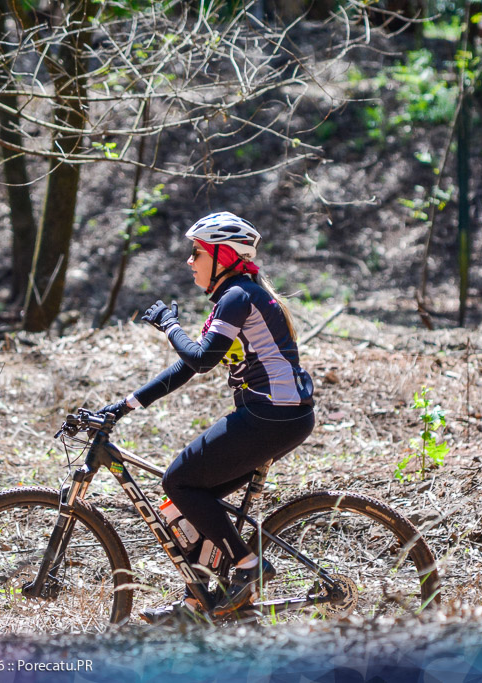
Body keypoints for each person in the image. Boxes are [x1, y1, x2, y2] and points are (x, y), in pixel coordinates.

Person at [97, 211, 315, 623]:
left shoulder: (238, 295)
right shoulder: (236, 297)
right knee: (191, 498)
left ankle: (249, 568)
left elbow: (198, 359)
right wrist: (126, 404)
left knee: (178, 480)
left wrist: (169, 326)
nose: (190, 260)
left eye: (196, 252)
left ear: (222, 256)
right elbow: (188, 367)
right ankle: (197, 606)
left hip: (271, 415)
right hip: (282, 416)